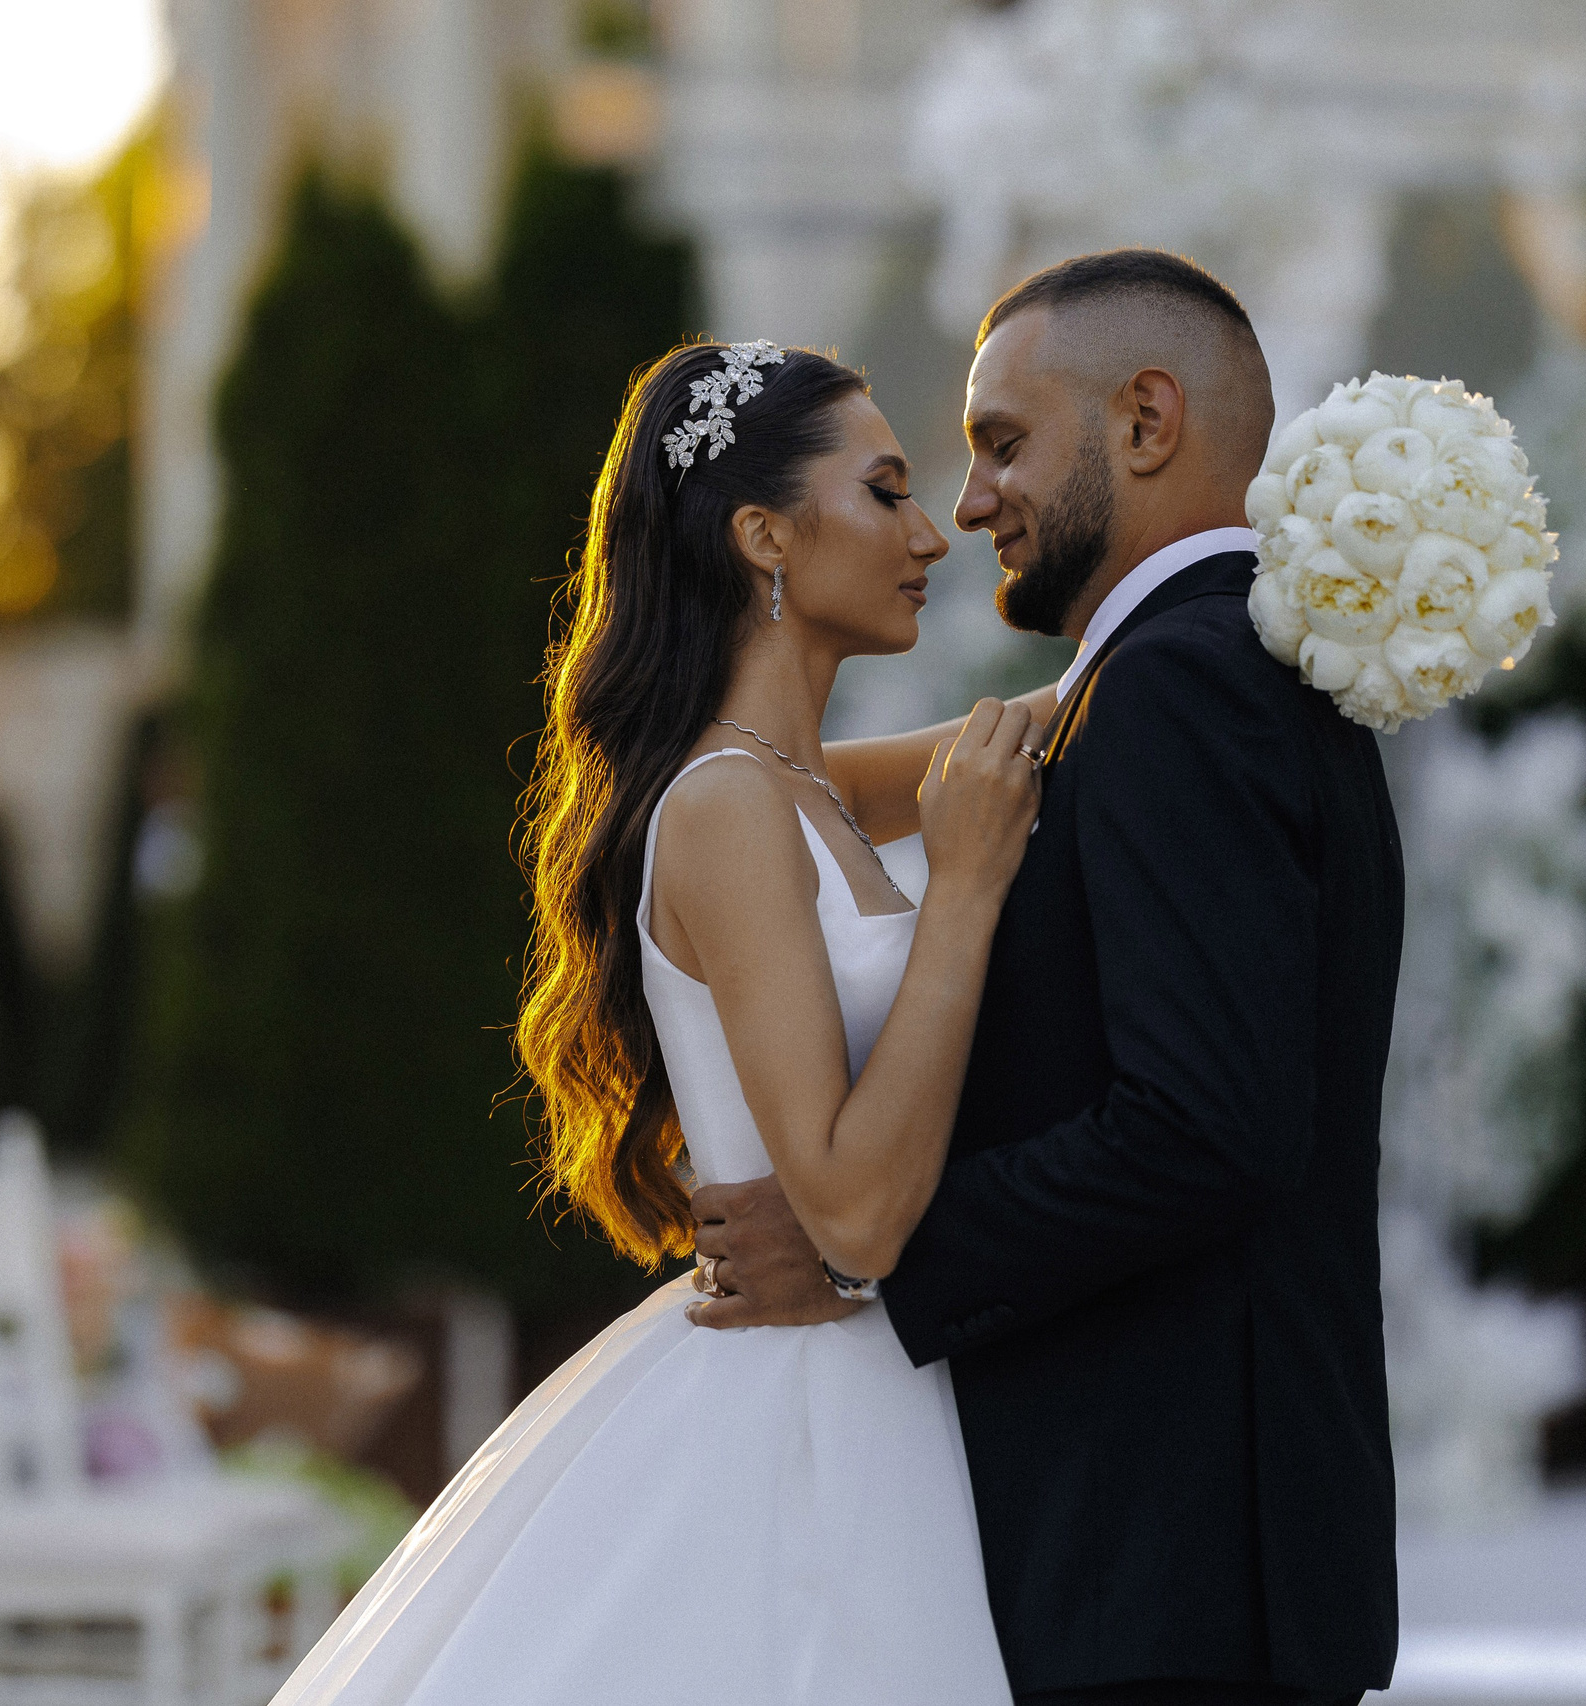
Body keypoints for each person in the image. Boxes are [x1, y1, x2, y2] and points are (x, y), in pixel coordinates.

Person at [266, 335, 1048, 1704]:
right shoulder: (731, 805)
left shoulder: (802, 787)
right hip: (800, 1405)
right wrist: (967, 889)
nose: (932, 533)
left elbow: (1059, 720)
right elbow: (856, 1214)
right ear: (763, 536)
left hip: (866, 1374)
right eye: (883, 491)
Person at [691, 249, 1406, 1706]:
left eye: (1000, 444)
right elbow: (779, 792)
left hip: (1166, 1564)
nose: (968, 505)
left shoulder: (1181, 691)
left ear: (1145, 422)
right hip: (1186, 1555)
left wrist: (864, 1253)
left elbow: (1204, 1128)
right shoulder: (1189, 675)